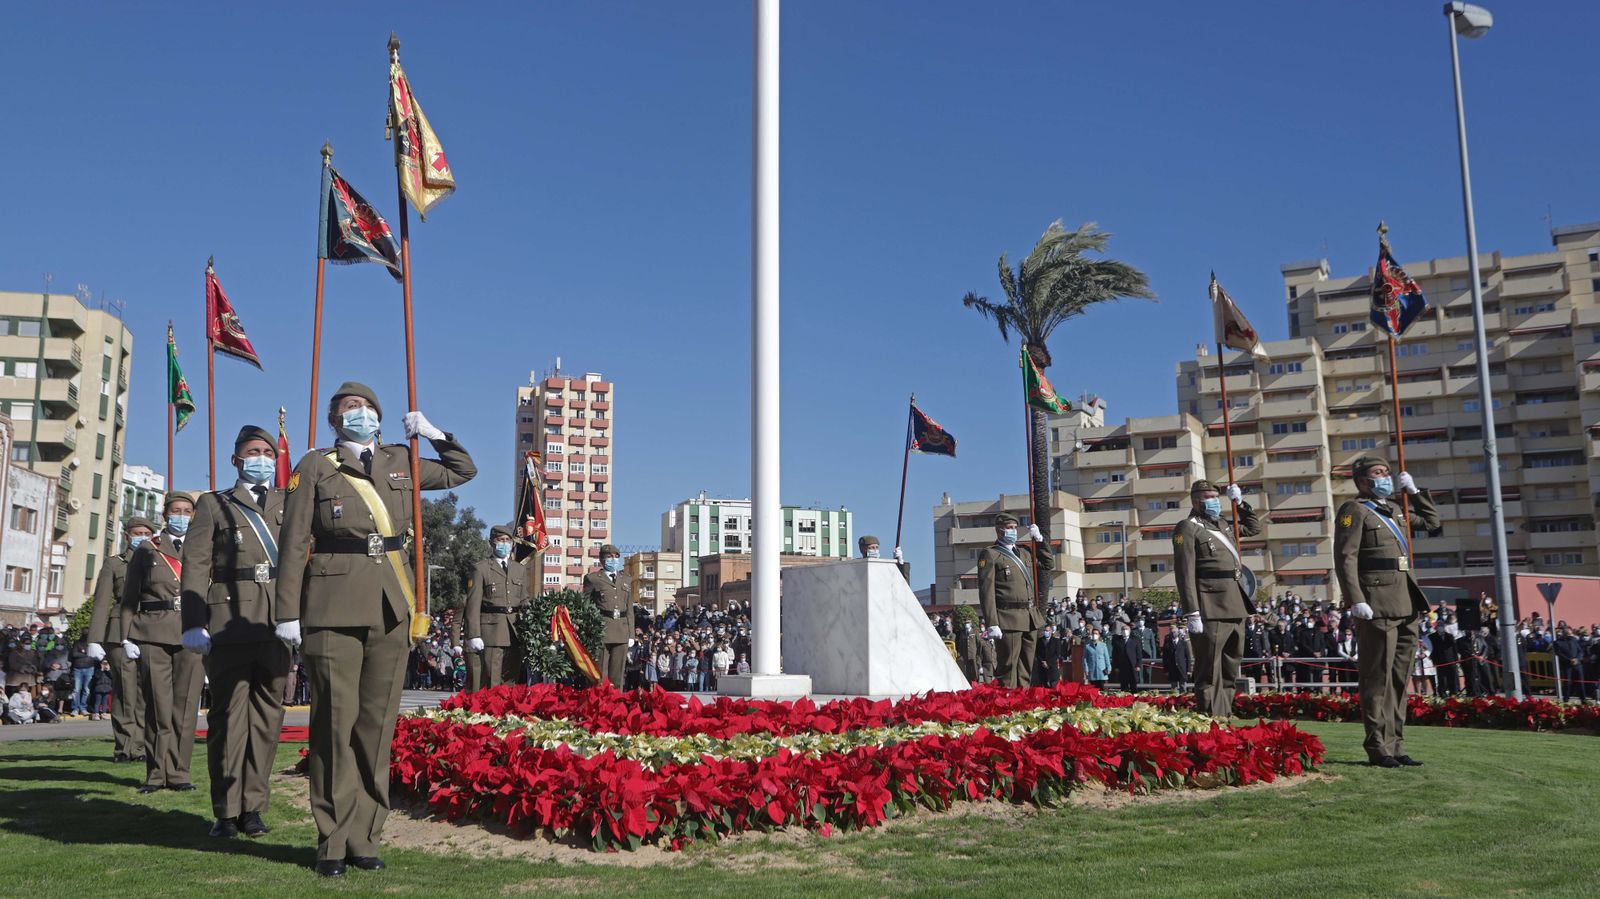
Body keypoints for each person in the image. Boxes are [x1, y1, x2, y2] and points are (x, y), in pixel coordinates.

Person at [274, 382, 476, 877]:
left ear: (381, 417)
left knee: (376, 728)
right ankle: (331, 840)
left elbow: (462, 470)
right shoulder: (315, 466)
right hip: (331, 605)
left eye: (365, 407)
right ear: (332, 420)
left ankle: (365, 836)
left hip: (392, 604)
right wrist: (286, 611)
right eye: (347, 408)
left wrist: (432, 434)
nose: (357, 413)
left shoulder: (400, 460)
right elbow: (295, 537)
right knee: (332, 727)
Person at [180, 425, 291, 839]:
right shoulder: (214, 505)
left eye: (267, 451)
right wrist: (193, 621)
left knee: (267, 719)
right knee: (228, 719)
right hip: (228, 622)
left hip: (277, 623)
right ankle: (225, 811)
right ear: (236, 459)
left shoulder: (289, 503)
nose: (261, 457)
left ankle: (254, 809)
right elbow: (194, 566)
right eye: (252, 451)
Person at [1333, 456, 1440, 769]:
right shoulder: (1355, 510)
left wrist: (1416, 492)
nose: (1385, 478)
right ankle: (1378, 746)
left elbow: (1432, 523)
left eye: (1387, 473)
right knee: (1376, 678)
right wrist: (1355, 599)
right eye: (1378, 473)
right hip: (1376, 603)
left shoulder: (1395, 509)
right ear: (1363, 480)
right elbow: (1345, 558)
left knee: (1398, 680)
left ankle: (1396, 744)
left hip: (1406, 603)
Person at [120, 493, 205, 792]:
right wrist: (125, 635)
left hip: (192, 632)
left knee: (185, 707)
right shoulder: (147, 549)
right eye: (176, 511)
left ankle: (179, 773)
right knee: (157, 705)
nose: (181, 515)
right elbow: (130, 597)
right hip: (153, 633)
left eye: (187, 511)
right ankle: (156, 773)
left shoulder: (201, 547)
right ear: (166, 515)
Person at [1172, 479, 1261, 717]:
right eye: (1208, 497)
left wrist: (1240, 503)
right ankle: (1211, 720)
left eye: (1215, 496)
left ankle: (1225, 716)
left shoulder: (1223, 525)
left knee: (1231, 667)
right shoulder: (1187, 527)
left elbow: (1254, 528)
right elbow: (1184, 573)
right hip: (1209, 606)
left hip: (1235, 603)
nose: (1213, 501)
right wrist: (1192, 611)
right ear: (1195, 500)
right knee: (1209, 670)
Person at [86, 516, 155, 760]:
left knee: (147, 691)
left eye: (146, 533)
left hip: (150, 630)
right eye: (137, 533)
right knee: (126, 691)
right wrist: (94, 638)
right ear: (127, 536)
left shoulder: (159, 561)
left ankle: (144, 746)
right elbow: (102, 601)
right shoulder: (115, 564)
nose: (142, 537)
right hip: (119, 633)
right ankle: (126, 747)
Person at [976, 513, 1053, 688]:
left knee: (1026, 667)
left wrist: (1040, 541)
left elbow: (1048, 564)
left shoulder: (1025, 553)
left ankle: (1023, 703)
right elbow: (986, 591)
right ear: (999, 530)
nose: (1013, 531)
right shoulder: (991, 554)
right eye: (1009, 528)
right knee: (1008, 667)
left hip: (1029, 617)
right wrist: (992, 622)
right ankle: (1007, 703)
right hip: (1008, 618)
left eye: (1015, 527)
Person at [464, 525, 532, 691]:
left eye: (507, 540)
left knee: (511, 679)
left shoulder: (519, 569)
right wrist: (474, 634)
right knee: (492, 680)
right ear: (491, 543)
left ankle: (508, 715)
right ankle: (491, 714)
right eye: (500, 540)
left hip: (515, 631)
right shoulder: (481, 568)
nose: (504, 544)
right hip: (492, 632)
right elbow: (473, 604)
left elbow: (524, 599)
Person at [582, 544, 633, 688]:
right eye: (609, 557)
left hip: (622, 630)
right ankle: (598, 705)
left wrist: (631, 634)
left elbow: (629, 608)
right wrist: (589, 630)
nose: (613, 559)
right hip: (602, 630)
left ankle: (616, 706)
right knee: (599, 675)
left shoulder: (626, 579)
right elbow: (585, 606)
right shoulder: (592, 579)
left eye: (616, 557)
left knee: (617, 676)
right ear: (602, 559)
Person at [1163, 626, 1193, 694]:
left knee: (1183, 687)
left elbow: (1188, 657)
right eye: (1172, 632)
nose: (1173, 633)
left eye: (1175, 632)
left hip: (1182, 669)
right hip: (1172, 669)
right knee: (1174, 689)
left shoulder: (1183, 643)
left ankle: (1183, 702)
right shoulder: (1167, 644)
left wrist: (1188, 670)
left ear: (1178, 632)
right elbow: (1164, 658)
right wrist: (1166, 670)